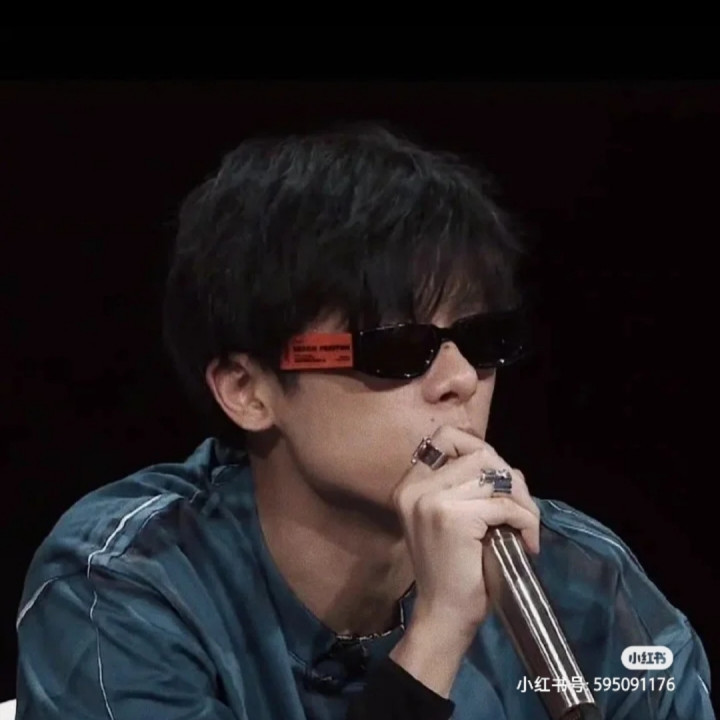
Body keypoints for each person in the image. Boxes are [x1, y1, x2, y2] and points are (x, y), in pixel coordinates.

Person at [15, 123, 713, 720]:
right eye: (399, 348)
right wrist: (437, 634)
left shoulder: (581, 579)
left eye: (483, 339)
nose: (459, 380)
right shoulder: (126, 584)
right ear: (248, 390)